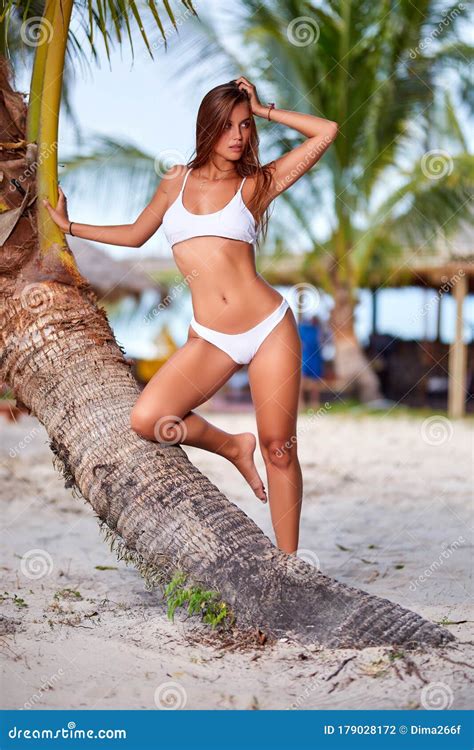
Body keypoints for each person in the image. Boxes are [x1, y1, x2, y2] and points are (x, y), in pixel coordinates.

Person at [43, 77, 338, 554]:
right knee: (150, 418)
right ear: (208, 128)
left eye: (245, 126)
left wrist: (264, 109)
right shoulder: (174, 182)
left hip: (268, 328)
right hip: (211, 338)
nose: (238, 136)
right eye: (228, 126)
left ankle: (289, 564)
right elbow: (137, 234)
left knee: (280, 449)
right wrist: (71, 226)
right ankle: (230, 445)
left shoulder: (255, 185)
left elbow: (325, 131)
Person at [298, 314, 323, 408]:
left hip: (315, 358)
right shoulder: (302, 328)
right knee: (302, 380)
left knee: (315, 382)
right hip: (305, 357)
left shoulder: (317, 328)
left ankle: (314, 403)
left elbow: (322, 340)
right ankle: (301, 403)